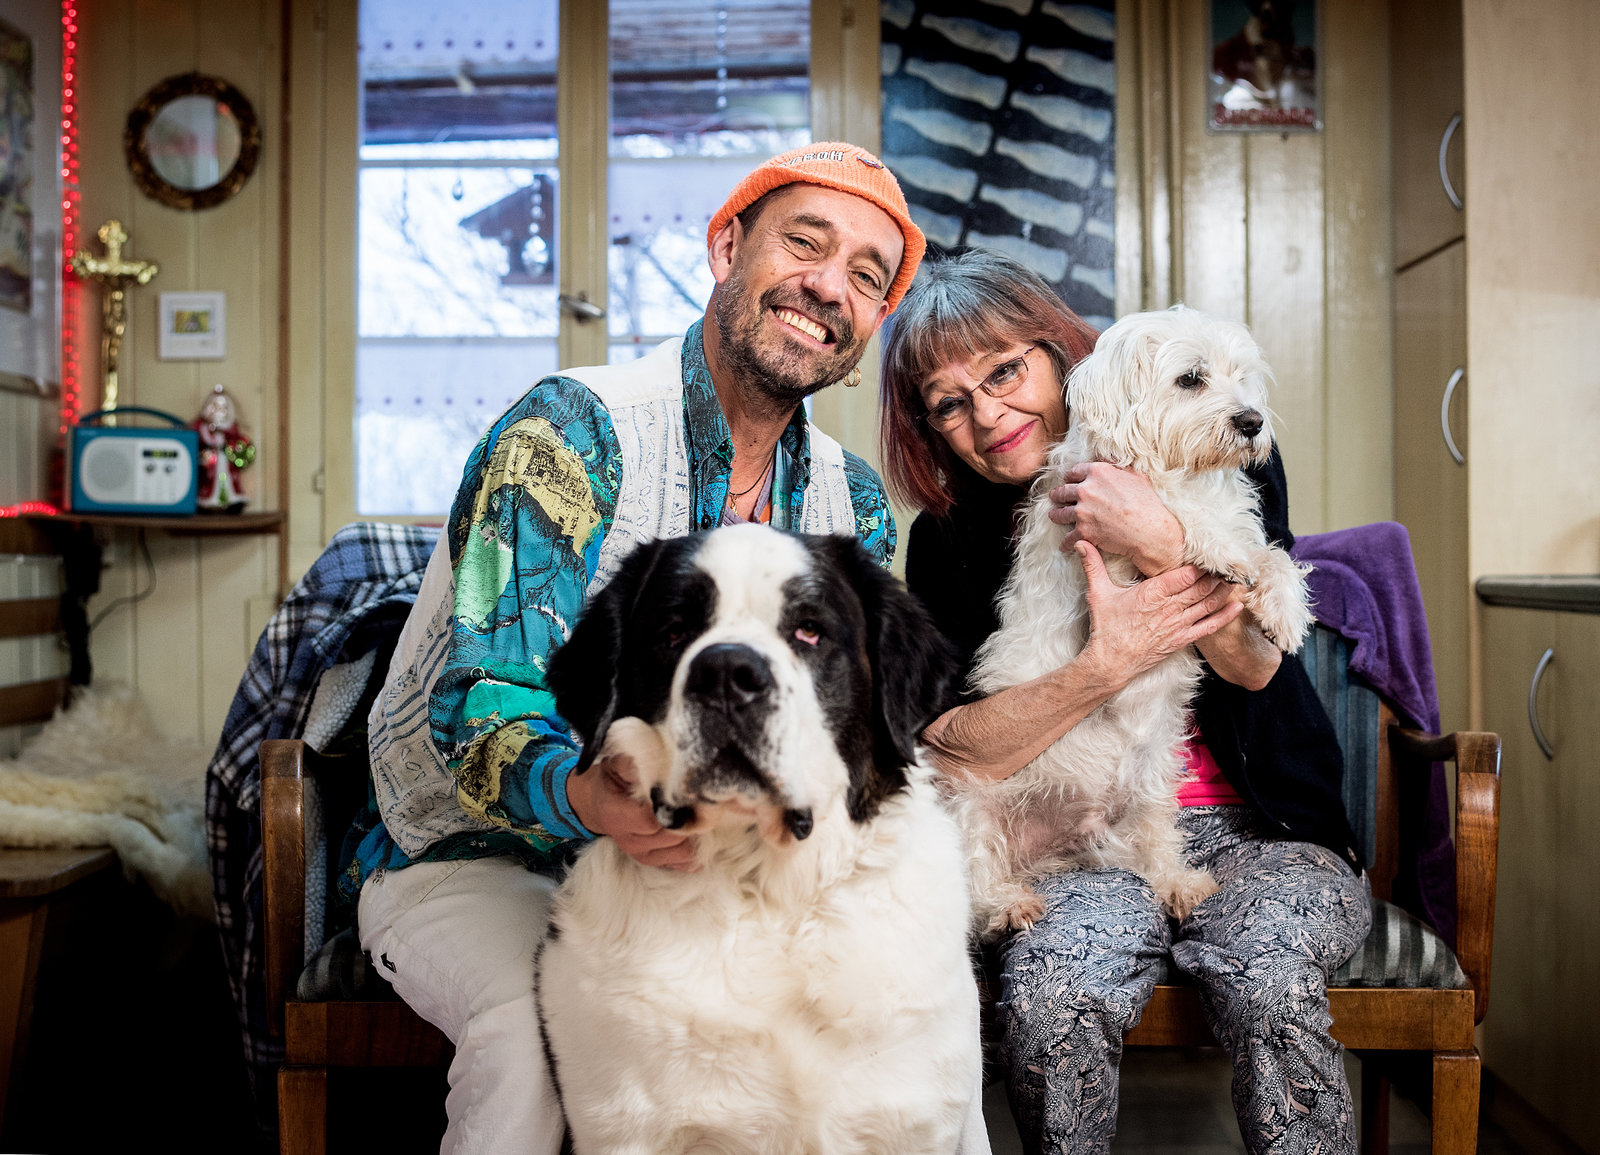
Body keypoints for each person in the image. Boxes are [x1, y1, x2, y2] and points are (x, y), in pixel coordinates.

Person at [339, 142, 946, 1154]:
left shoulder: (855, 505)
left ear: (873, 319)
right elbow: (481, 696)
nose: (826, 286)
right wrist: (585, 799)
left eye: (865, 275)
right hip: (487, 856)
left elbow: (856, 741)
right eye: (805, 242)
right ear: (726, 246)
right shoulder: (571, 433)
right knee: (534, 1031)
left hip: (732, 875)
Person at [879, 247, 1371, 1155]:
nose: (987, 415)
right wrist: (1104, 663)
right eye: (949, 403)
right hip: (1072, 831)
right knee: (1055, 990)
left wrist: (1158, 538)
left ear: (1057, 353)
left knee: (1269, 973)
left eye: (1005, 371)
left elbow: (1257, 665)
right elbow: (951, 750)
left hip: (1262, 828)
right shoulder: (947, 539)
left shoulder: (1224, 445)